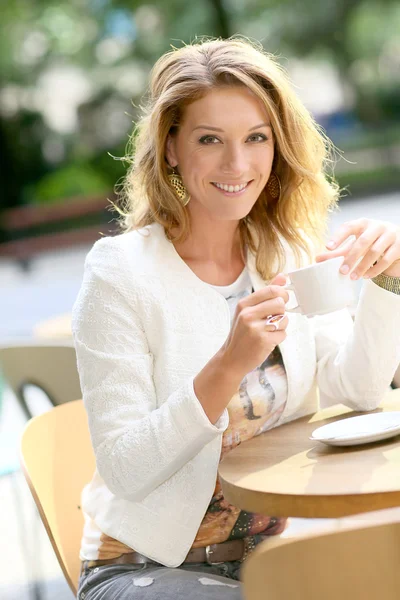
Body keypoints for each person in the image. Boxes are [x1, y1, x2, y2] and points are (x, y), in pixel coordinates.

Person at [72, 37, 400, 600]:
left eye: (256, 138)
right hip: (146, 567)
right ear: (170, 147)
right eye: (209, 140)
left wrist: (387, 283)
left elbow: (359, 390)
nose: (237, 164)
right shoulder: (120, 272)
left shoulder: (282, 251)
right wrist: (228, 364)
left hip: (266, 562)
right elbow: (125, 466)